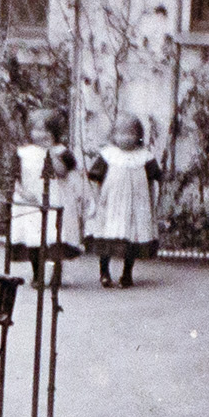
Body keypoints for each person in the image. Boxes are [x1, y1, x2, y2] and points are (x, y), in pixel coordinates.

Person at [8, 108, 86, 288]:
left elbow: (62, 172)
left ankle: (56, 272)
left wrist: (50, 152)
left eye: (45, 130)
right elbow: (15, 176)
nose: (40, 134)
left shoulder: (61, 152)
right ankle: (37, 274)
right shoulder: (24, 152)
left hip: (55, 199)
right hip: (31, 201)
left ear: (54, 132)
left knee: (53, 237)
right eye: (36, 130)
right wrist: (22, 192)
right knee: (33, 238)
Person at [86, 114, 162, 288]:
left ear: (138, 136)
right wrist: (99, 201)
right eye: (120, 133)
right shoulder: (108, 155)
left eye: (131, 134)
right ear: (113, 135)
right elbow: (96, 180)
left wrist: (152, 204)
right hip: (111, 205)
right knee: (107, 236)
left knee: (131, 238)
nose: (125, 138)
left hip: (136, 206)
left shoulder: (144, 157)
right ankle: (104, 273)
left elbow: (154, 180)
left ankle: (127, 274)